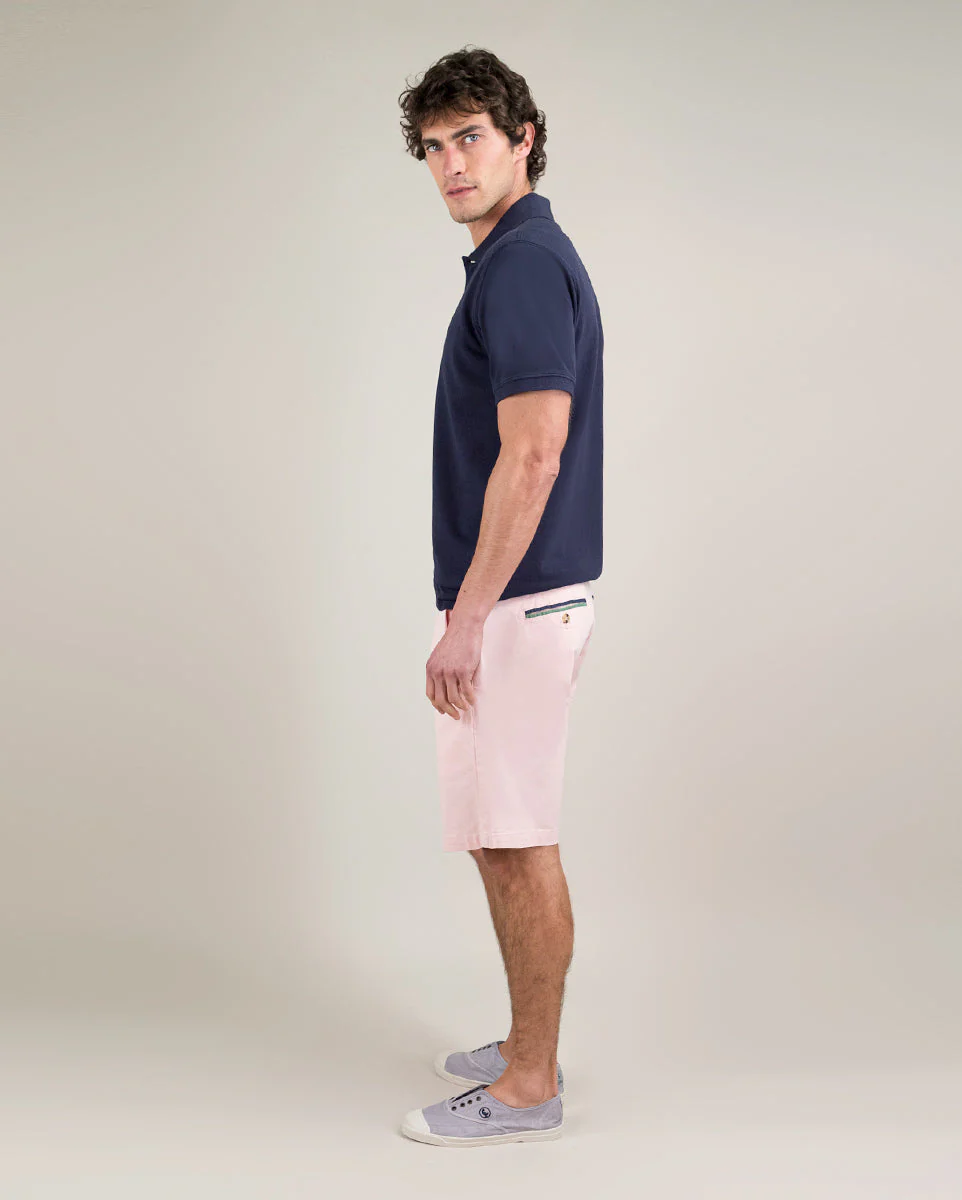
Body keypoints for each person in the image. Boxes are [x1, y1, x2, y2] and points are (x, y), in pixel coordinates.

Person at [396, 46, 604, 1147]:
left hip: (516, 604)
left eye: (470, 137)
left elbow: (534, 453)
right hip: (519, 600)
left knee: (517, 839)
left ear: (523, 139)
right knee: (497, 833)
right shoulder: (511, 260)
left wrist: (468, 620)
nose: (451, 164)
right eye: (433, 147)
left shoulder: (522, 264)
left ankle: (528, 1086)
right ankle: (531, 1042)